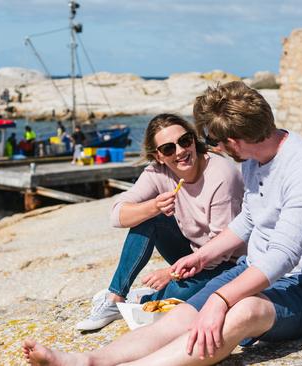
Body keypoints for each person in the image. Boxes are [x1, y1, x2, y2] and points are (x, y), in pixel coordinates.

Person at [23, 81, 302, 365]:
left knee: (242, 312)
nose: (211, 148)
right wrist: (201, 257)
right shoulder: (255, 158)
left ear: (233, 141)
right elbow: (249, 220)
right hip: (255, 267)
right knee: (181, 317)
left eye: (212, 141)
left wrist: (222, 300)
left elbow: (284, 256)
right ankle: (88, 361)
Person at [75, 113, 244, 331]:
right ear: (158, 156)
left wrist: (172, 274)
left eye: (184, 141)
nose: (181, 151)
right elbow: (116, 215)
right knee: (148, 219)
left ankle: (142, 301)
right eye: (168, 149)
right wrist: (153, 206)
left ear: (193, 139)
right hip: (193, 256)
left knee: (178, 296)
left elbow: (221, 249)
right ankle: (115, 298)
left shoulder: (221, 175)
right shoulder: (158, 171)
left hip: (228, 262)